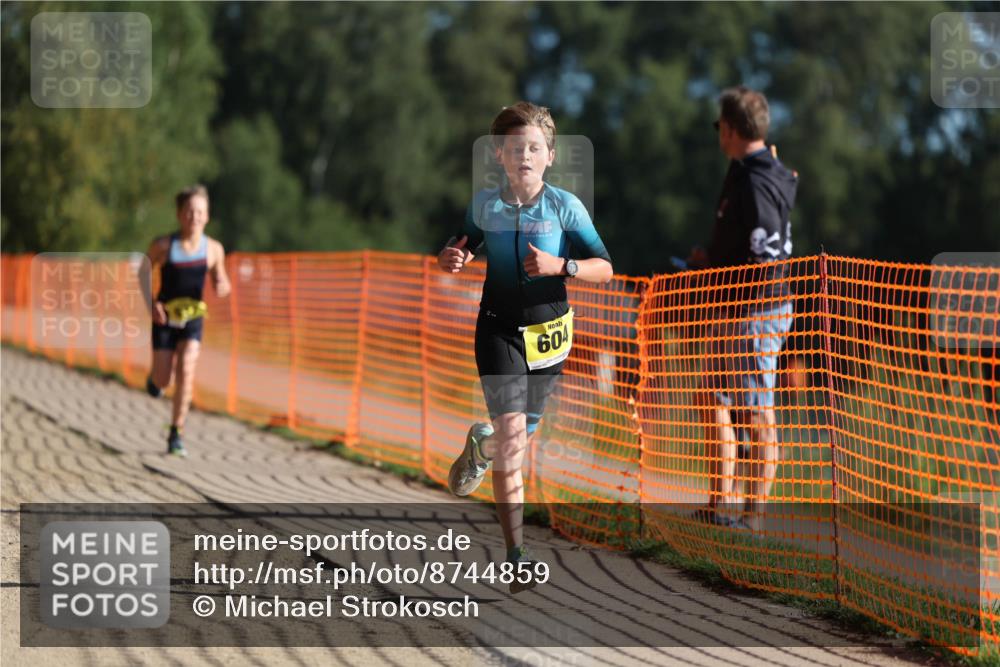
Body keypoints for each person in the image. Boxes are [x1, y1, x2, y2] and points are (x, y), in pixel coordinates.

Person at [439, 102, 613, 593]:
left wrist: (564, 267)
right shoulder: (485, 205)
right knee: (514, 434)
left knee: (514, 441)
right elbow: (458, 248)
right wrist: (449, 258)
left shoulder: (565, 207)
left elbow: (605, 266)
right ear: (500, 154)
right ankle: (516, 554)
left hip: (550, 335)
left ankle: (481, 446)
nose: (525, 156)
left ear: (550, 155)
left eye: (534, 147)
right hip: (497, 329)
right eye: (516, 148)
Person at [687, 86, 797, 532]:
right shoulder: (748, 171)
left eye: (719, 126)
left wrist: (729, 279)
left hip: (755, 309)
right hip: (734, 306)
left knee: (755, 410)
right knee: (711, 397)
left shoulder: (755, 179)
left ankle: (752, 519)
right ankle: (718, 505)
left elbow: (765, 249)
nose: (719, 133)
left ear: (730, 129)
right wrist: (709, 262)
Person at [140, 185, 231, 457]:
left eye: (200, 212)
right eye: (190, 211)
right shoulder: (163, 246)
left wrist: (223, 284)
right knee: (164, 378)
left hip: (193, 318)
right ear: (180, 215)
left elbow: (220, 278)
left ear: (208, 215)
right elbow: (143, 271)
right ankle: (155, 382)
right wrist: (152, 303)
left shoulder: (214, 249)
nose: (195, 217)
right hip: (165, 317)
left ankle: (176, 432)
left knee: (187, 371)